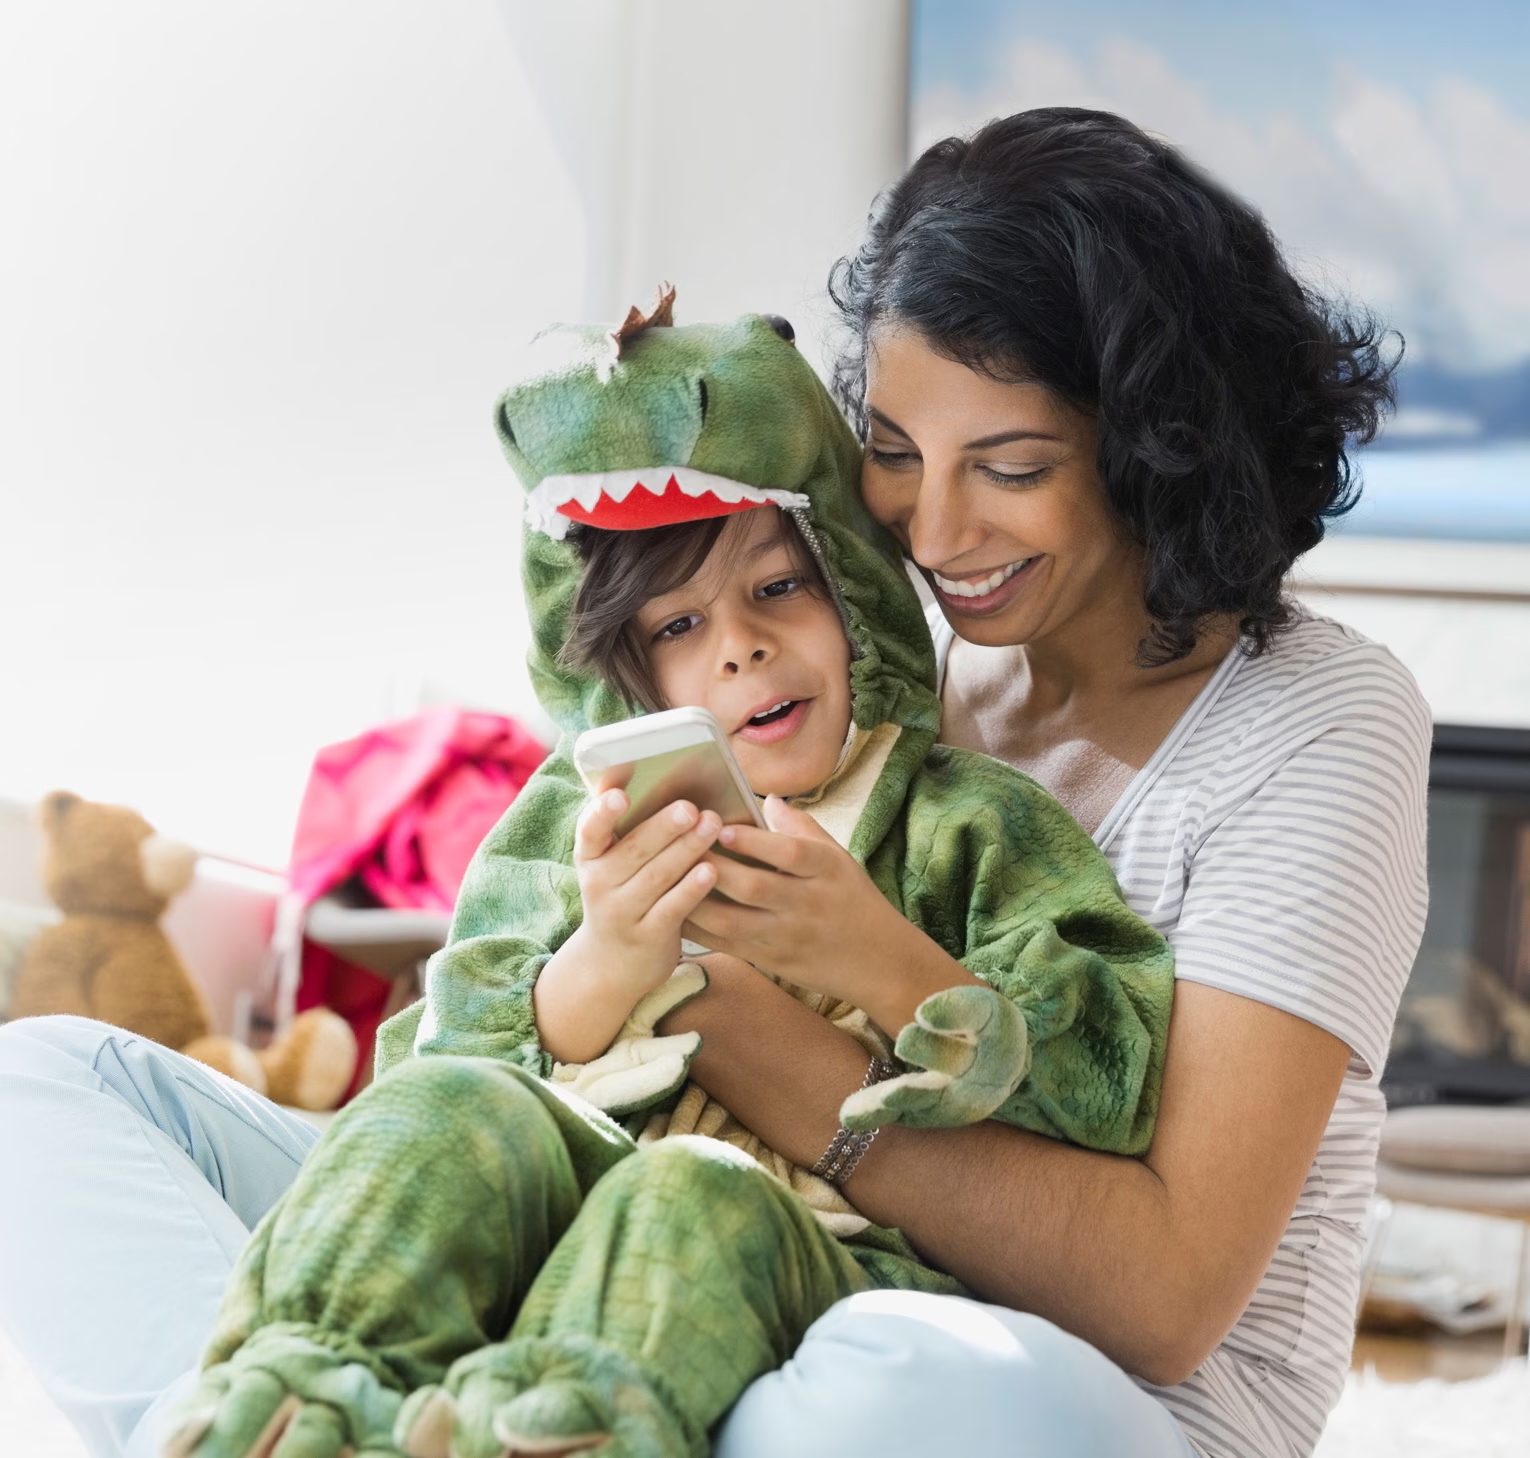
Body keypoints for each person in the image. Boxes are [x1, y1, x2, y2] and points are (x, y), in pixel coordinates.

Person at [0, 106, 1428, 1458]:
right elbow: (466, 1048)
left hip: (1060, 1366)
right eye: (891, 453)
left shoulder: (1312, 720)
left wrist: (739, 1022)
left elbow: (1166, 1301)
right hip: (627, 1233)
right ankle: (314, 1412)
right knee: (44, 1087)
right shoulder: (885, 661)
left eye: (1007, 466)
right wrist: (567, 1007)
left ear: (1157, 446)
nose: (935, 533)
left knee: (874, 1371)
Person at [153, 296, 1179, 1458]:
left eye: (778, 589)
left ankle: (559, 1429)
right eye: (678, 626)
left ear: (853, 591)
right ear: (628, 672)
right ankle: (301, 1404)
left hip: (824, 1254)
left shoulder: (969, 821)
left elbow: (1112, 1076)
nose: (740, 647)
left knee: (688, 1188)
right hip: (567, 1213)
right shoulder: (572, 825)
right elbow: (441, 1060)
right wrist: (601, 964)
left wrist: (880, 960)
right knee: (441, 1114)